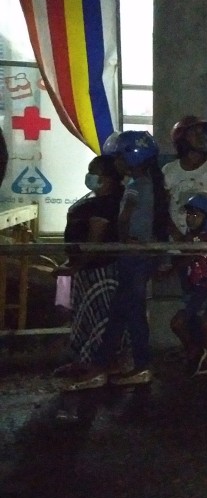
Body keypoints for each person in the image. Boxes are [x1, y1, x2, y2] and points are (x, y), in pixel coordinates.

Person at [66, 131, 171, 391]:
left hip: (133, 259)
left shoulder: (136, 187)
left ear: (130, 159)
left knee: (128, 313)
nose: (116, 163)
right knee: (123, 314)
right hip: (140, 258)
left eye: (118, 157)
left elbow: (124, 220)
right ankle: (109, 365)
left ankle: (123, 367)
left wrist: (123, 239)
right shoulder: (151, 185)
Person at [163, 115, 207, 345]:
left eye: (204, 132)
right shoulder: (169, 171)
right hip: (180, 245)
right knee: (189, 297)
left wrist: (201, 239)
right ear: (181, 139)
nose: (202, 137)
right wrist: (178, 237)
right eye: (195, 133)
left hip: (206, 249)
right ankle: (195, 347)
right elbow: (162, 208)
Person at [53, 155, 125, 377]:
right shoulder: (96, 199)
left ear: (108, 178)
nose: (89, 177)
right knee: (84, 317)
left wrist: (75, 266)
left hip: (99, 270)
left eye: (94, 173)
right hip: (86, 268)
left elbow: (95, 240)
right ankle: (83, 361)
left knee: (100, 318)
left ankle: (102, 364)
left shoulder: (107, 204)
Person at [168, 192, 207, 376]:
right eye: (189, 214)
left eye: (196, 215)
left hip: (206, 290)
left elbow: (189, 255)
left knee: (185, 321)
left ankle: (204, 355)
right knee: (199, 320)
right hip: (195, 290)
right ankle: (199, 353)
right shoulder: (195, 237)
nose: (190, 218)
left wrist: (169, 271)